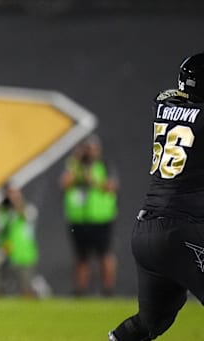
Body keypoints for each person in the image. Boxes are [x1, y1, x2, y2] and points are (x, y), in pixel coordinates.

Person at [109, 52, 204, 340]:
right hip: (182, 231)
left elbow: (169, 97)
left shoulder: (162, 105)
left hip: (146, 232)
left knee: (150, 322)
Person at [60, 133, 119, 296]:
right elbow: (64, 183)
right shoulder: (74, 166)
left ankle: (108, 290)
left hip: (101, 218)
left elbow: (112, 186)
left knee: (104, 254)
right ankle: (80, 290)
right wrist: (76, 162)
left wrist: (93, 180)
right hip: (79, 219)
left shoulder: (104, 165)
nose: (89, 152)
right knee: (81, 256)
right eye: (86, 149)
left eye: (91, 149)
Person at [0, 183, 40, 297]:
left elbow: (28, 217)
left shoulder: (28, 209)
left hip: (24, 255)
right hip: (6, 252)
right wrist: (0, 208)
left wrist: (17, 203)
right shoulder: (3, 213)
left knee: (26, 287)